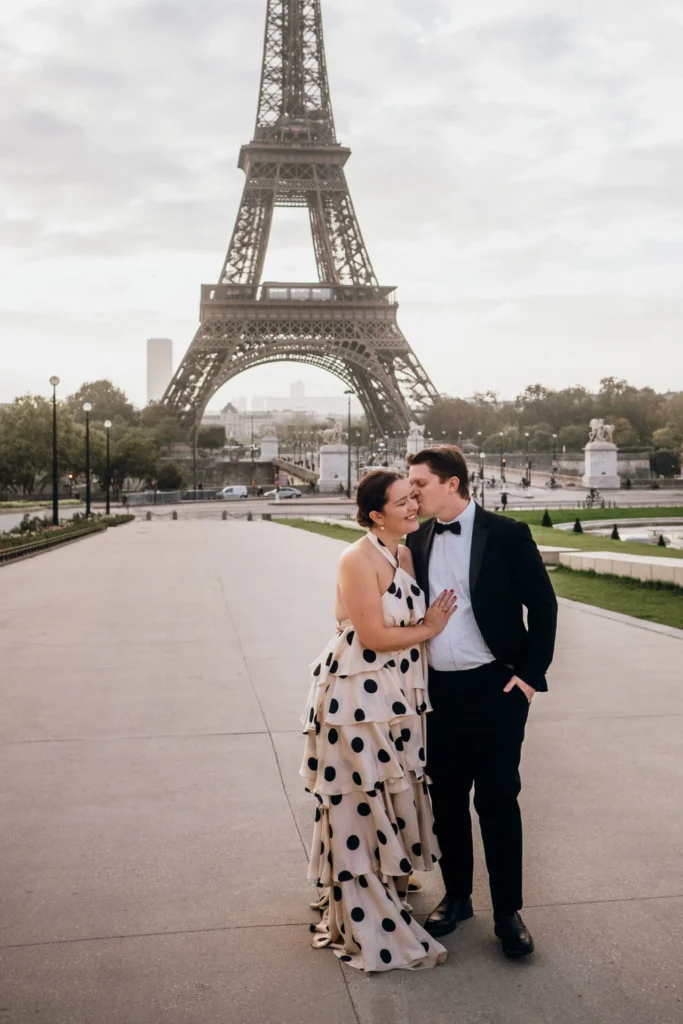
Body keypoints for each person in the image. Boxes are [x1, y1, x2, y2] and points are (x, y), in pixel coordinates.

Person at [301, 470, 457, 972]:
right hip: (357, 703)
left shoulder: (405, 554)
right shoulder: (356, 558)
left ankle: (384, 884)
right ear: (375, 515)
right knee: (360, 798)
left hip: (397, 699)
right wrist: (429, 627)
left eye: (414, 497)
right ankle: (364, 907)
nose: (414, 506)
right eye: (403, 501)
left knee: (388, 794)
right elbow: (369, 635)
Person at [407, 446, 558, 958]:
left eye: (420, 483)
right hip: (440, 692)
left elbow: (543, 604)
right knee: (446, 799)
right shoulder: (415, 540)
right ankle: (456, 897)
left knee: (496, 801)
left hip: (497, 688)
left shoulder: (507, 534)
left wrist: (531, 676)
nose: (413, 492)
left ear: (451, 483)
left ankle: (509, 911)